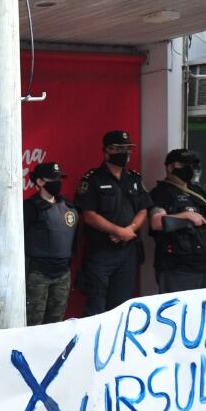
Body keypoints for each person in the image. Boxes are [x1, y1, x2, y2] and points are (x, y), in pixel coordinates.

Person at [75, 130, 151, 315]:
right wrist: (118, 231)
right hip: (101, 253)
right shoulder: (92, 178)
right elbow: (88, 214)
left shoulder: (134, 178)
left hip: (127, 252)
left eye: (128, 149)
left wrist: (130, 229)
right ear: (107, 151)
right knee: (97, 306)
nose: (125, 153)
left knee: (122, 306)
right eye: (120, 149)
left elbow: (143, 208)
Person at [149, 149, 206, 294]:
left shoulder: (197, 190)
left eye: (192, 165)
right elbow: (156, 222)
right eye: (185, 164)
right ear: (170, 167)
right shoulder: (161, 192)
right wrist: (185, 215)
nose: (190, 169)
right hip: (179, 269)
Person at [22, 162, 78, 325]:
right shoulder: (29, 208)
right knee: (33, 321)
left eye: (59, 178)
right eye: (53, 178)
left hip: (62, 273)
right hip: (38, 273)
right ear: (39, 182)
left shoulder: (68, 207)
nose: (57, 182)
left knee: (56, 322)